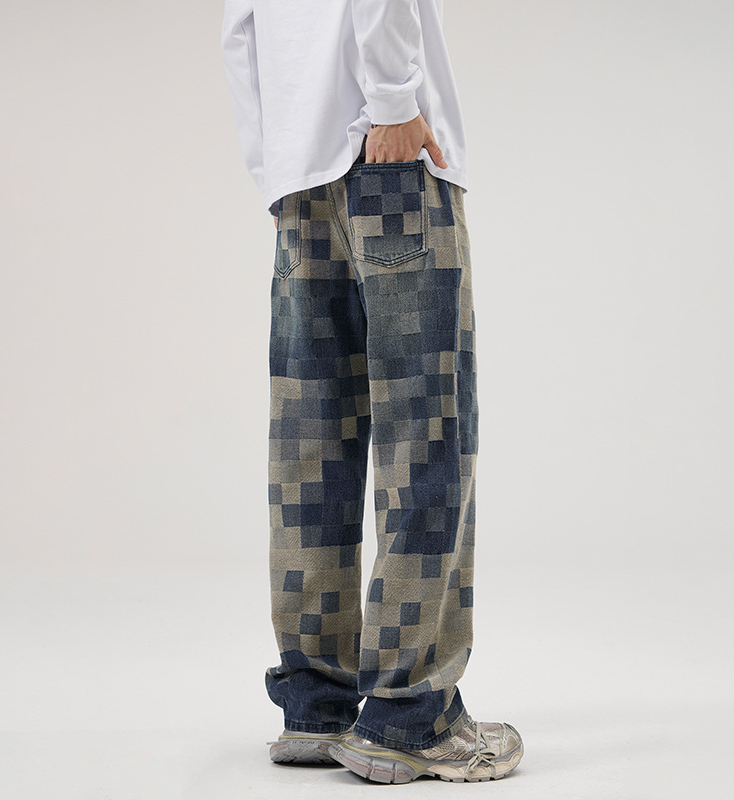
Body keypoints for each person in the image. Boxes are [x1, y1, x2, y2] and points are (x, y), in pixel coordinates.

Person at [220, 0, 523, 784]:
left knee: (311, 442)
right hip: (386, 159)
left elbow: (240, 30)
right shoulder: (388, 116)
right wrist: (392, 101)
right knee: (427, 432)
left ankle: (315, 703)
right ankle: (408, 714)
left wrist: (275, 168)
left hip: (300, 179)